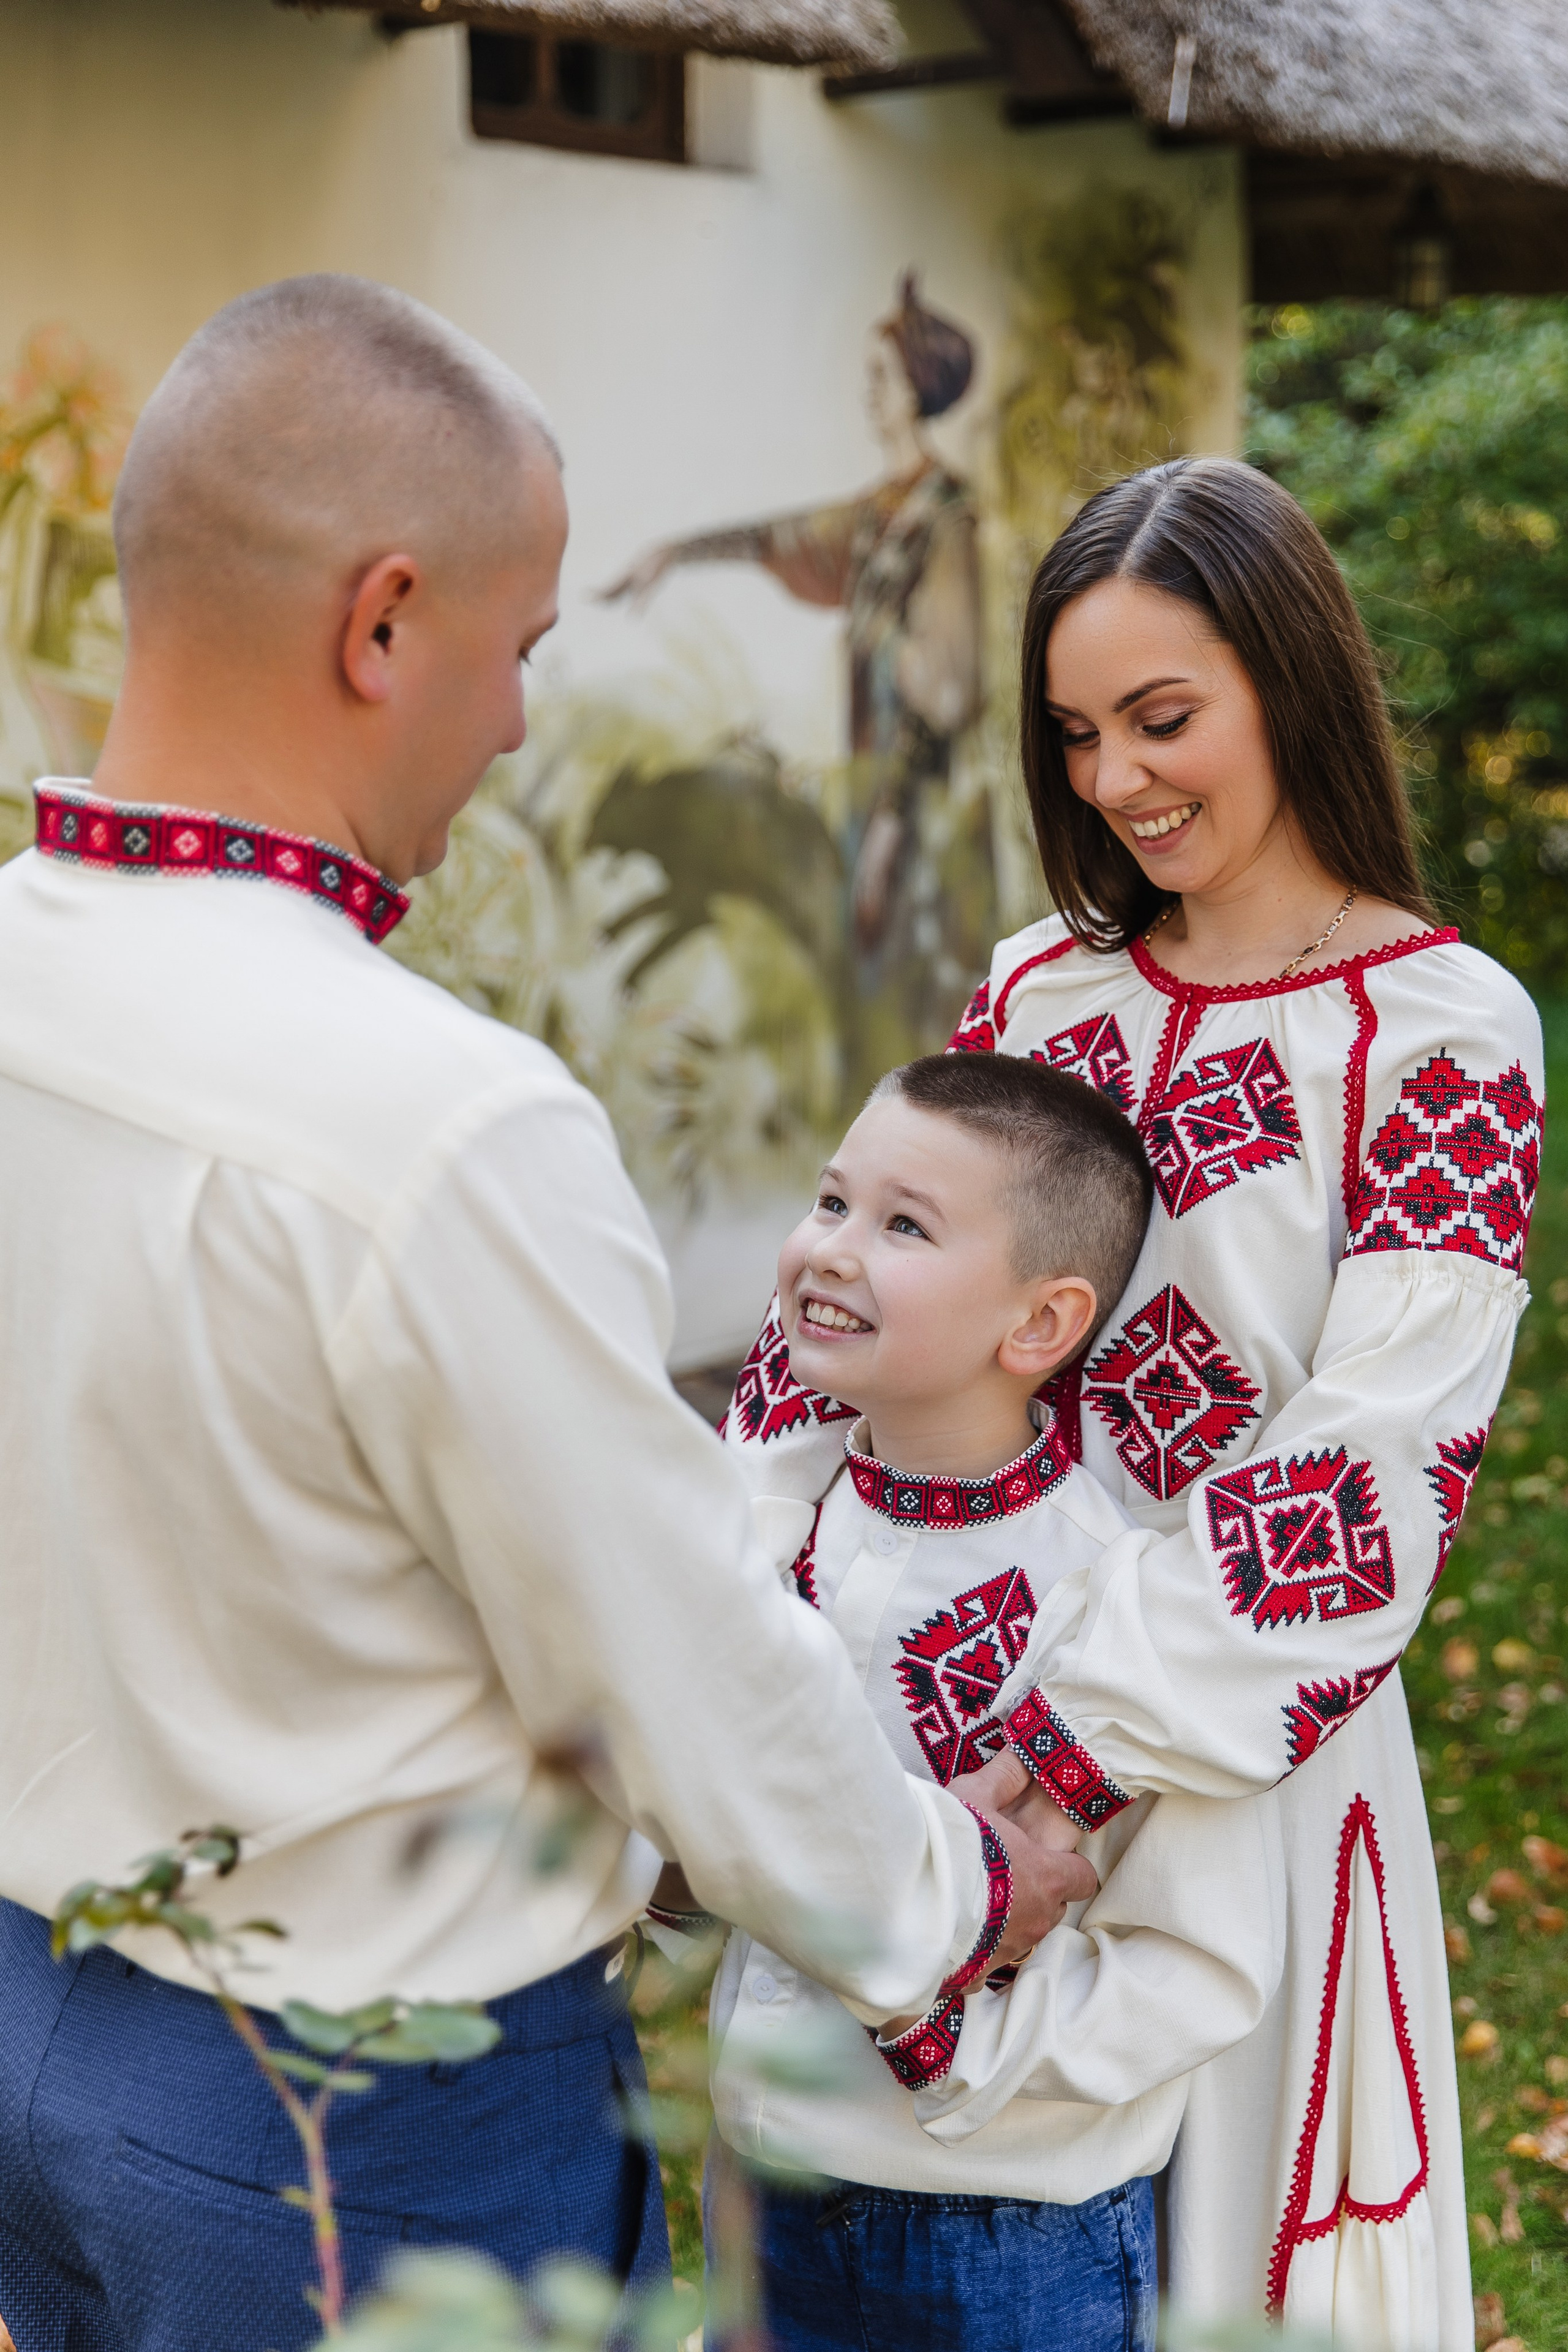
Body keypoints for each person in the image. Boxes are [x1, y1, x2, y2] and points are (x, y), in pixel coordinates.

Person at [0, 276, 1093, 2352]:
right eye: (516, 649)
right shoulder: (441, 1122)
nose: (511, 722)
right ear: (383, 623)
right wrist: (950, 1894)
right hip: (356, 2130)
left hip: (32, 2020)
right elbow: (676, 1664)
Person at [719, 457, 1544, 2351]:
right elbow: (862, 1298)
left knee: (1226, 2269)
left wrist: (1077, 1757)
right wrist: (732, 1606)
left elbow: (1379, 1456)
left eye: (1163, 718)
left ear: (1292, 683)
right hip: (944, 1692)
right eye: (1078, 732)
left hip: (1238, 1753)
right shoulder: (1039, 988)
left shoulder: (1439, 1034)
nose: (1112, 782)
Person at [657, 1051, 1286, 2352]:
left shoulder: (1119, 1614)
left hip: (993, 2238)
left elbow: (1197, 1957)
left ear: (1040, 1325)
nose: (830, 1251)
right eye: (830, 1203)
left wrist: (946, 2041)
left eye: (902, 1227)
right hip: (757, 2177)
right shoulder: (775, 1538)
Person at [600, 272, 988, 1088]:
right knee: (856, 968)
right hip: (867, 785)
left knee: (905, 979)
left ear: (918, 391)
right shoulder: (879, 513)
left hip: (914, 803)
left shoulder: (943, 518)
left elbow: (945, 692)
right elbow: (775, 537)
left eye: (881, 379)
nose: (867, 394)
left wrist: (890, 821)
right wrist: (671, 553)